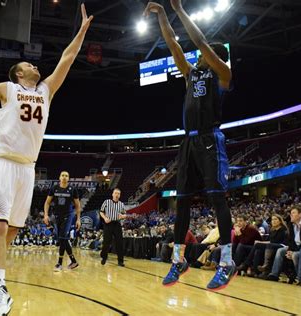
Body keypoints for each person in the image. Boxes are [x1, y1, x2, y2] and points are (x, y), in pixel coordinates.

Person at [0, 5, 93, 315]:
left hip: (27, 169)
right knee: (0, 227)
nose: (35, 65)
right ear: (20, 73)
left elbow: (67, 59)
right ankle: (1, 290)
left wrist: (82, 31)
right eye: (29, 63)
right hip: (4, 163)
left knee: (13, 231)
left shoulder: (46, 90)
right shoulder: (8, 88)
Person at [144, 0, 234, 290]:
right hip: (189, 142)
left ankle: (227, 262)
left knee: (217, 197)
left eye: (204, 54)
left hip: (210, 138)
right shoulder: (191, 73)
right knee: (181, 202)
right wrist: (161, 16)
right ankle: (177, 259)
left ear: (214, 56)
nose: (198, 55)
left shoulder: (222, 73)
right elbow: (173, 44)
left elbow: (201, 41)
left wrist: (180, 9)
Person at [44, 171, 81, 271]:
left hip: (68, 215)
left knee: (63, 237)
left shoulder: (72, 190)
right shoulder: (54, 188)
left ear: (68, 178)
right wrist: (46, 215)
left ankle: (59, 264)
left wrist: (78, 219)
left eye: (66, 176)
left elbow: (77, 206)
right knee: (62, 239)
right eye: (63, 175)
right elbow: (47, 203)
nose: (64, 177)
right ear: (59, 177)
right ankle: (73, 261)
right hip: (57, 216)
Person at [99, 188, 127, 266]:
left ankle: (120, 261)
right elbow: (101, 212)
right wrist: (105, 218)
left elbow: (125, 214)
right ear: (112, 194)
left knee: (119, 243)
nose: (117, 195)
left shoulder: (121, 204)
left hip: (117, 224)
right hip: (108, 223)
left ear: (120, 195)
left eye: (118, 193)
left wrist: (123, 216)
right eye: (116, 193)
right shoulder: (107, 202)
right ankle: (104, 257)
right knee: (106, 242)